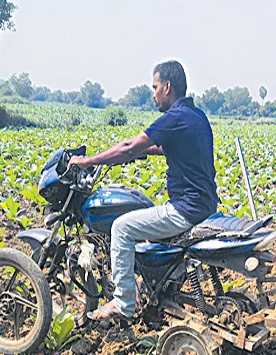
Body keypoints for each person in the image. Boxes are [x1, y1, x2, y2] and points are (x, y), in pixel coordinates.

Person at [69, 60, 219, 321]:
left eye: (155, 86)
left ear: (167, 87)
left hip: (186, 208)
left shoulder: (173, 118)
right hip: (205, 204)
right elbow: (167, 146)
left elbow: (129, 144)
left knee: (122, 228)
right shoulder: (196, 115)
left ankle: (124, 303)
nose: (153, 93)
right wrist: (141, 153)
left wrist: (88, 161)